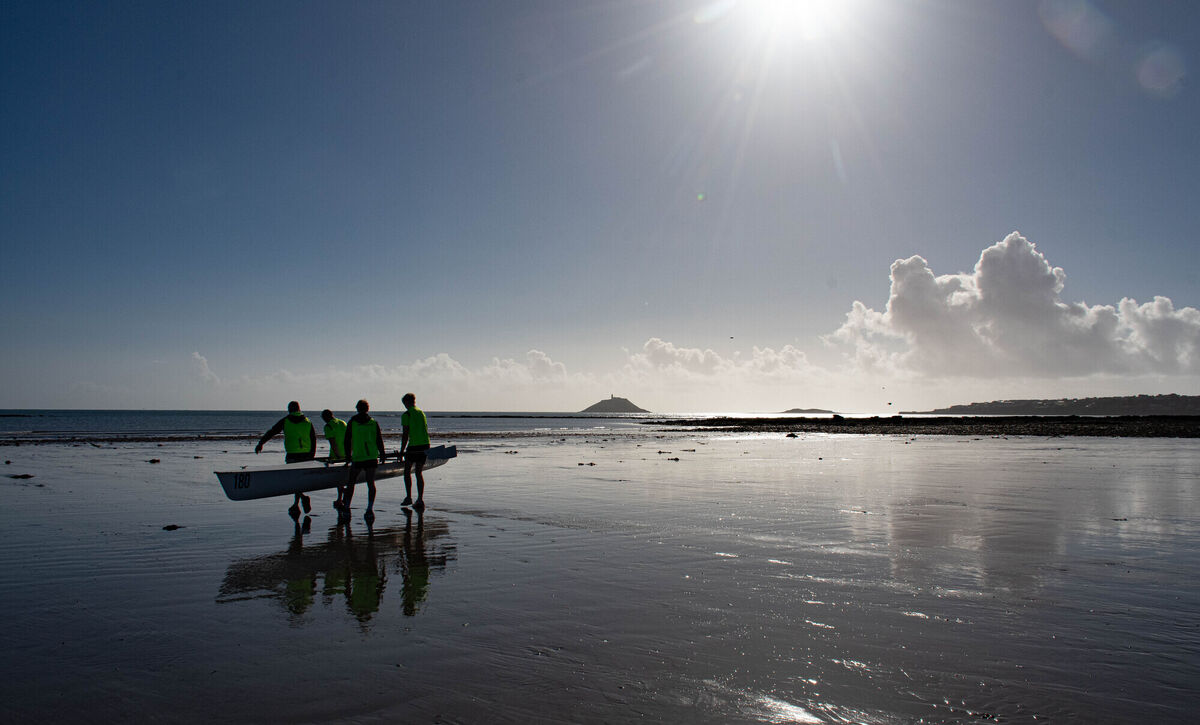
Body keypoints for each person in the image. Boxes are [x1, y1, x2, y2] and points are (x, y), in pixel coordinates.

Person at [255, 401, 317, 518]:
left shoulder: (286, 420)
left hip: (292, 454)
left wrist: (261, 443)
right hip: (306, 455)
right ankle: (298, 502)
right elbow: (313, 439)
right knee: (300, 480)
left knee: (294, 480)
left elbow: (272, 432)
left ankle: (299, 501)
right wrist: (312, 456)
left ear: (289, 409)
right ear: (299, 409)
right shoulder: (308, 421)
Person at [341, 399, 386, 523]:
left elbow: (347, 440)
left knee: (351, 483)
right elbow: (379, 440)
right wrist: (382, 454)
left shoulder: (353, 422)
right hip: (371, 456)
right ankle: (369, 509)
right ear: (367, 409)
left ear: (357, 408)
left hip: (359, 457)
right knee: (370, 483)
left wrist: (347, 455)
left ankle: (347, 508)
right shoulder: (373, 422)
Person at [399, 392, 430, 512]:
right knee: (418, 473)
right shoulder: (421, 412)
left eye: (404, 404)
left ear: (407, 402)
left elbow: (405, 434)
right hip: (425, 444)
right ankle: (420, 499)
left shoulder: (406, 414)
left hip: (414, 446)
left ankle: (408, 497)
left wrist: (402, 451)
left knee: (407, 471)